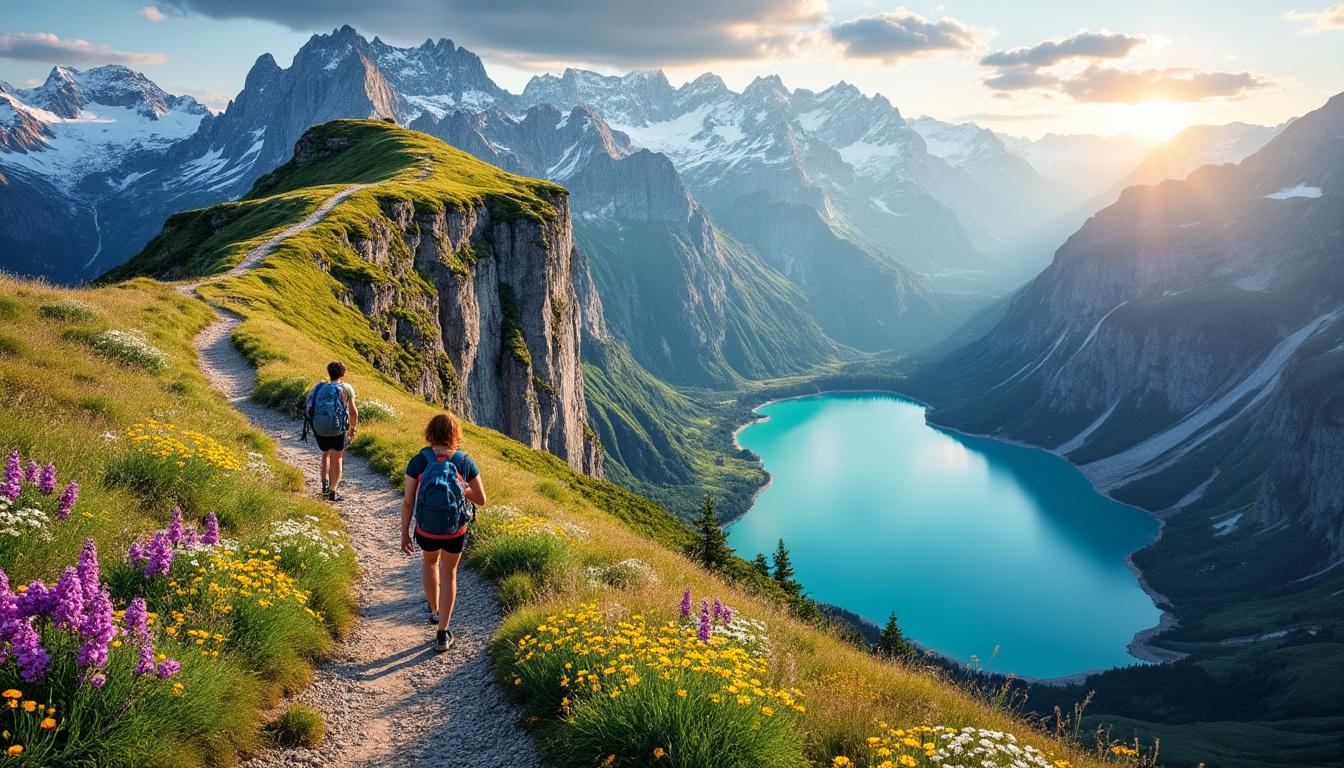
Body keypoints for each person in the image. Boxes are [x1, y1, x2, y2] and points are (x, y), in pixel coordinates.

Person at [400, 412, 486, 652]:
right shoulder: (464, 461)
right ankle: (443, 633)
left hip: (425, 529)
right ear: (455, 434)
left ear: (430, 433)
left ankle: (435, 610)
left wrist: (405, 533)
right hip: (455, 530)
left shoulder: (418, 461)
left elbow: (408, 502)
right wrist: (464, 490)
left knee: (429, 564)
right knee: (449, 574)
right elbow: (481, 499)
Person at [303, 361, 358, 502]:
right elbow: (353, 413)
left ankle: (324, 486)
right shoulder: (346, 388)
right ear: (343, 374)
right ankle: (333, 492)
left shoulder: (320, 386)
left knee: (325, 454)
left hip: (319, 427)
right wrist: (353, 428)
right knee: (337, 457)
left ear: (329, 373)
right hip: (337, 429)